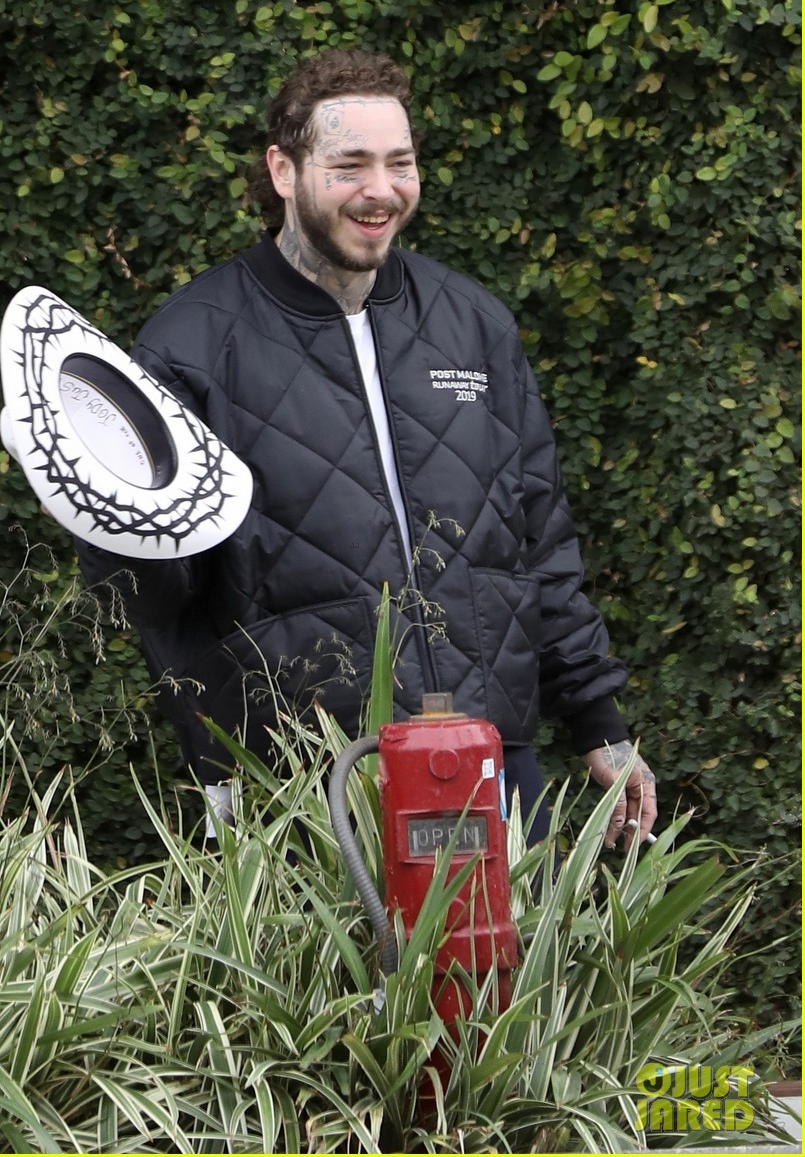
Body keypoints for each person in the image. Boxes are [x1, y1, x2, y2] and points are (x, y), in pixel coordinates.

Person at [76, 48, 657, 849]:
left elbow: (537, 541)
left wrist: (599, 723)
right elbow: (158, 594)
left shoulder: (470, 322)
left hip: (484, 749)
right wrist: (217, 762)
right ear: (283, 170)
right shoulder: (192, 344)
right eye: (350, 165)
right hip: (308, 767)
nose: (381, 191)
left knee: (495, 972)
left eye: (400, 163)